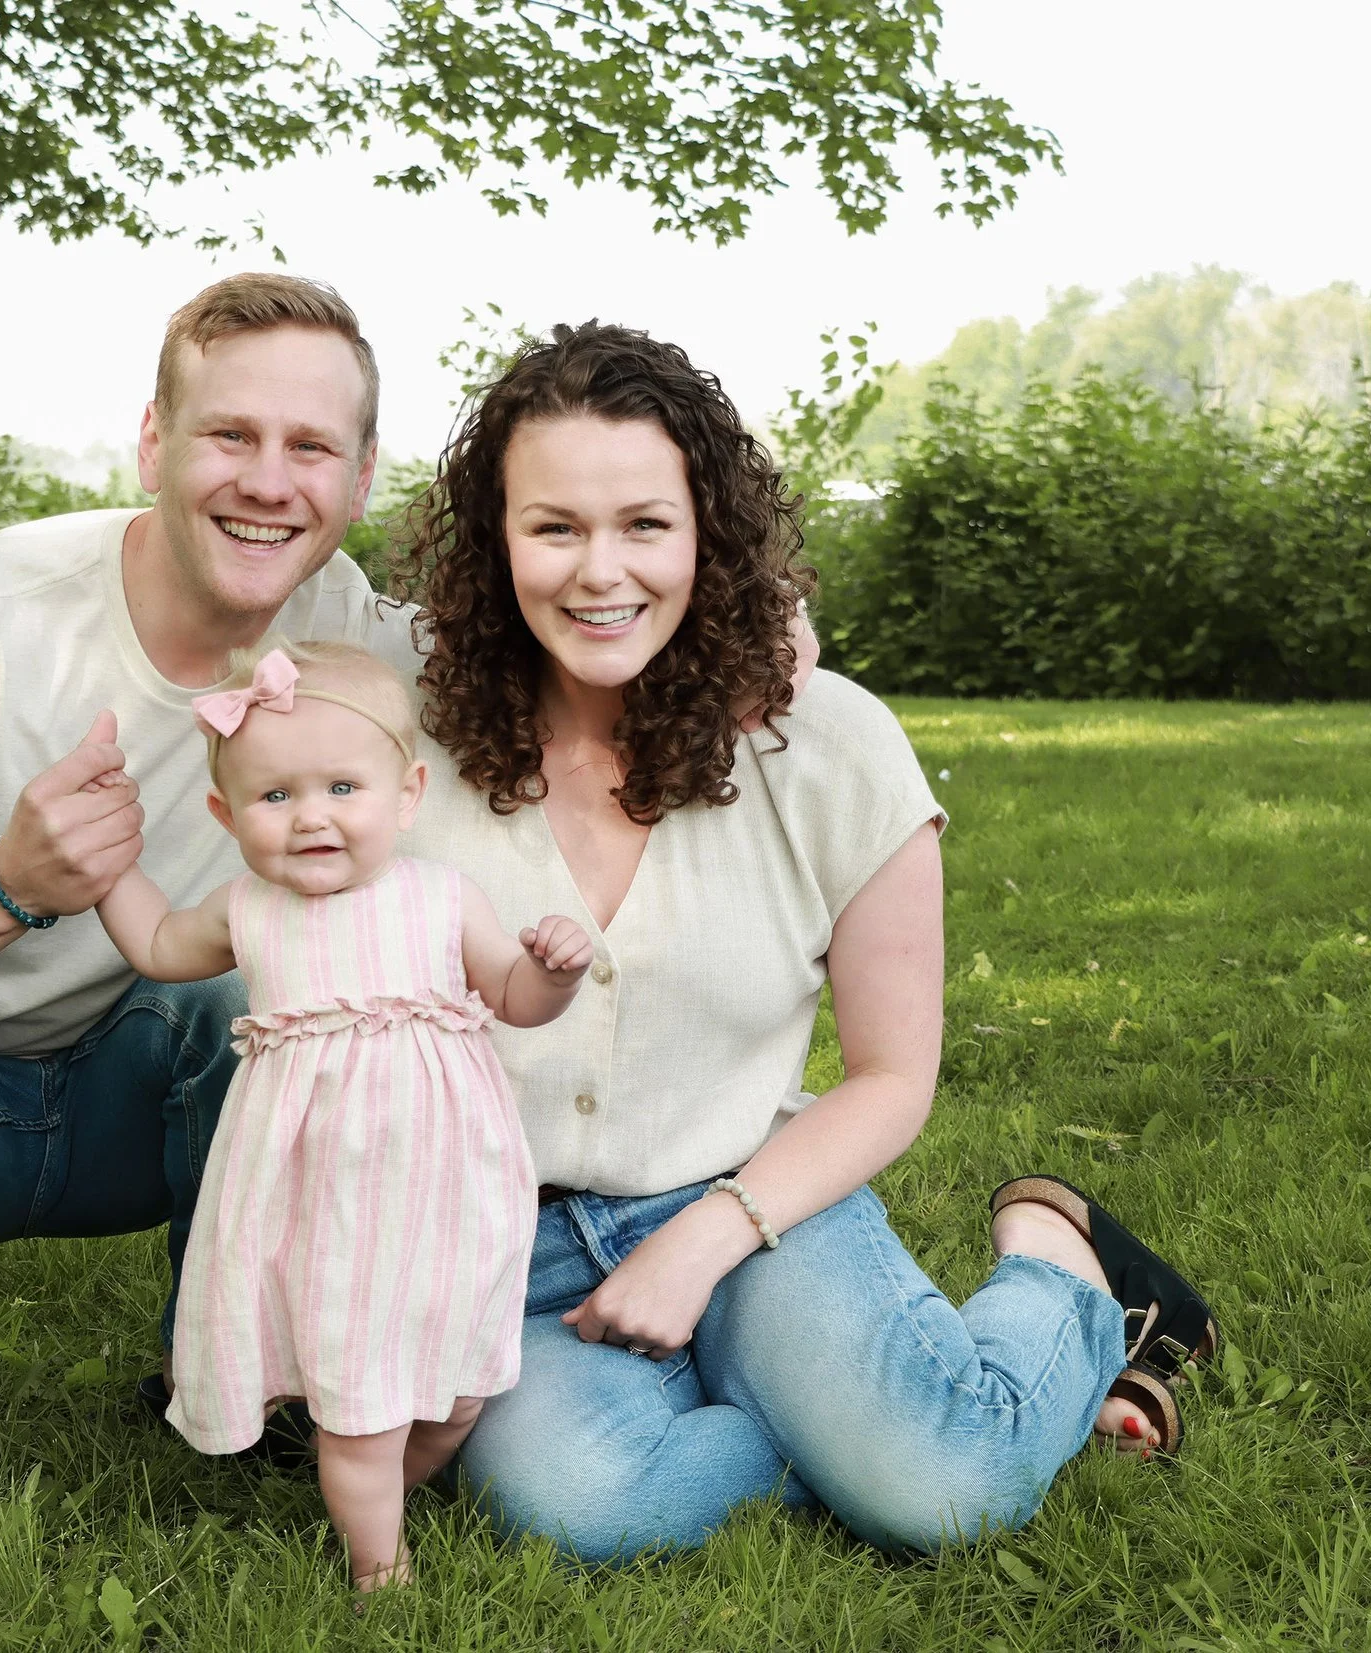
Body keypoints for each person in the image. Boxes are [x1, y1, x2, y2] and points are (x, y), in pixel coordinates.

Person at [392, 321, 1220, 1559]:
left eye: (644, 525)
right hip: (503, 1258)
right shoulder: (397, 727)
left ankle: (1069, 1271)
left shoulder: (824, 744)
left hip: (752, 1205)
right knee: (581, 1508)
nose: (596, 570)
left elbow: (892, 1074)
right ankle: (841, 1414)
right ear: (494, 540)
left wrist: (704, 1241)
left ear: (706, 537)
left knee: (947, 1496)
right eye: (552, 526)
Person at [0, 273, 409, 1450]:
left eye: (311, 447)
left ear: (358, 480)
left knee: (275, 966)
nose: (268, 480)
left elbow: (579, 634)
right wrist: (8, 886)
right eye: (229, 435)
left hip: (158, 1075)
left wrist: (770, 628)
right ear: (154, 444)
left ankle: (212, 1365)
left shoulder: (351, 631)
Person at [95, 639, 594, 1590]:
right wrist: (105, 871)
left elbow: (514, 996)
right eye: (275, 797)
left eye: (342, 788)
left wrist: (554, 971)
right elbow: (159, 944)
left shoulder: (442, 897)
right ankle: (380, 1562)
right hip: (320, 1199)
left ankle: (381, 1482)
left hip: (445, 1195)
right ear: (225, 814)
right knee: (359, 1397)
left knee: (457, 1392)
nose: (311, 817)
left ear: (407, 794)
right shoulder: (249, 908)